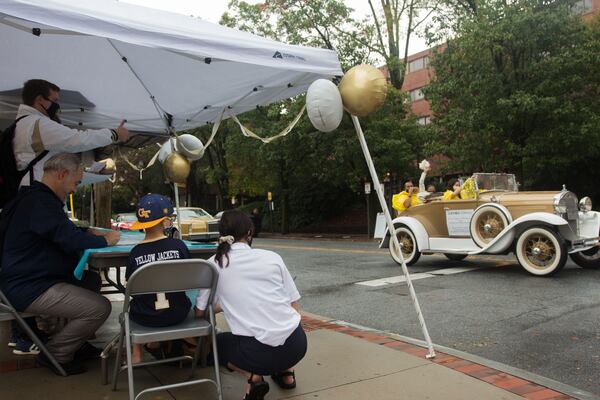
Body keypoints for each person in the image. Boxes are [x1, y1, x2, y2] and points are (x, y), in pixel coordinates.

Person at [0, 153, 119, 375]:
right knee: (100, 307)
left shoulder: (32, 198)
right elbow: (69, 239)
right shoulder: (41, 203)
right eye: (76, 182)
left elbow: (55, 231)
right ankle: (56, 353)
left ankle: (76, 341)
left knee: (90, 280)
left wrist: (85, 231)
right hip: (28, 287)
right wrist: (104, 239)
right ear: (62, 174)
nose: (75, 189)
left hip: (24, 280)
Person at [195, 210, 306, 400]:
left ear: (220, 234)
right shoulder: (272, 257)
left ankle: (254, 378)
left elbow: (200, 312)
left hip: (254, 354)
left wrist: (225, 304)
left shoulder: (213, 264)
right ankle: (287, 374)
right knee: (278, 327)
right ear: (249, 233)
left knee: (216, 344)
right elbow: (294, 304)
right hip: (297, 344)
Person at [13, 79, 129, 187]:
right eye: (54, 101)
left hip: (29, 189)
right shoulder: (38, 124)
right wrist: (114, 133)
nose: (57, 106)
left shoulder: (21, 123)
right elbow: (77, 140)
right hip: (37, 191)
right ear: (39, 100)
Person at [125, 194, 192, 364]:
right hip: (178, 313)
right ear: (164, 221)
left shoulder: (135, 253)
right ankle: (158, 344)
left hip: (146, 317)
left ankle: (137, 353)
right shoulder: (179, 246)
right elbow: (188, 277)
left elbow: (130, 288)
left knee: (130, 307)